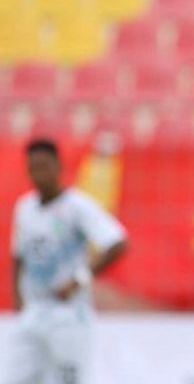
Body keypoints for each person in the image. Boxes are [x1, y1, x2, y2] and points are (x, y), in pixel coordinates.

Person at [6, 139, 127, 384]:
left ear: (59, 167)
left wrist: (78, 280)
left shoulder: (77, 206)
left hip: (69, 314)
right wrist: (18, 298)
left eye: (44, 166)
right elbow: (18, 255)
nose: (39, 175)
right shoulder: (25, 208)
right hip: (34, 312)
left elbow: (117, 243)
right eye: (33, 168)